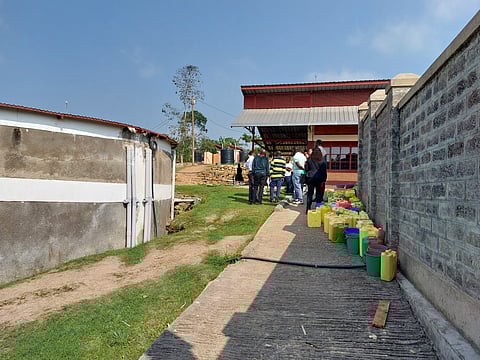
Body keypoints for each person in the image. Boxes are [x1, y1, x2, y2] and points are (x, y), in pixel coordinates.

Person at [304, 148, 328, 213]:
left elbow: (306, 169)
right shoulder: (322, 161)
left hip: (310, 178)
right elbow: (324, 171)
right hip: (319, 178)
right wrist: (324, 179)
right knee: (318, 194)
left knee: (310, 193)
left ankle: (308, 208)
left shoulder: (309, 160)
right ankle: (318, 208)